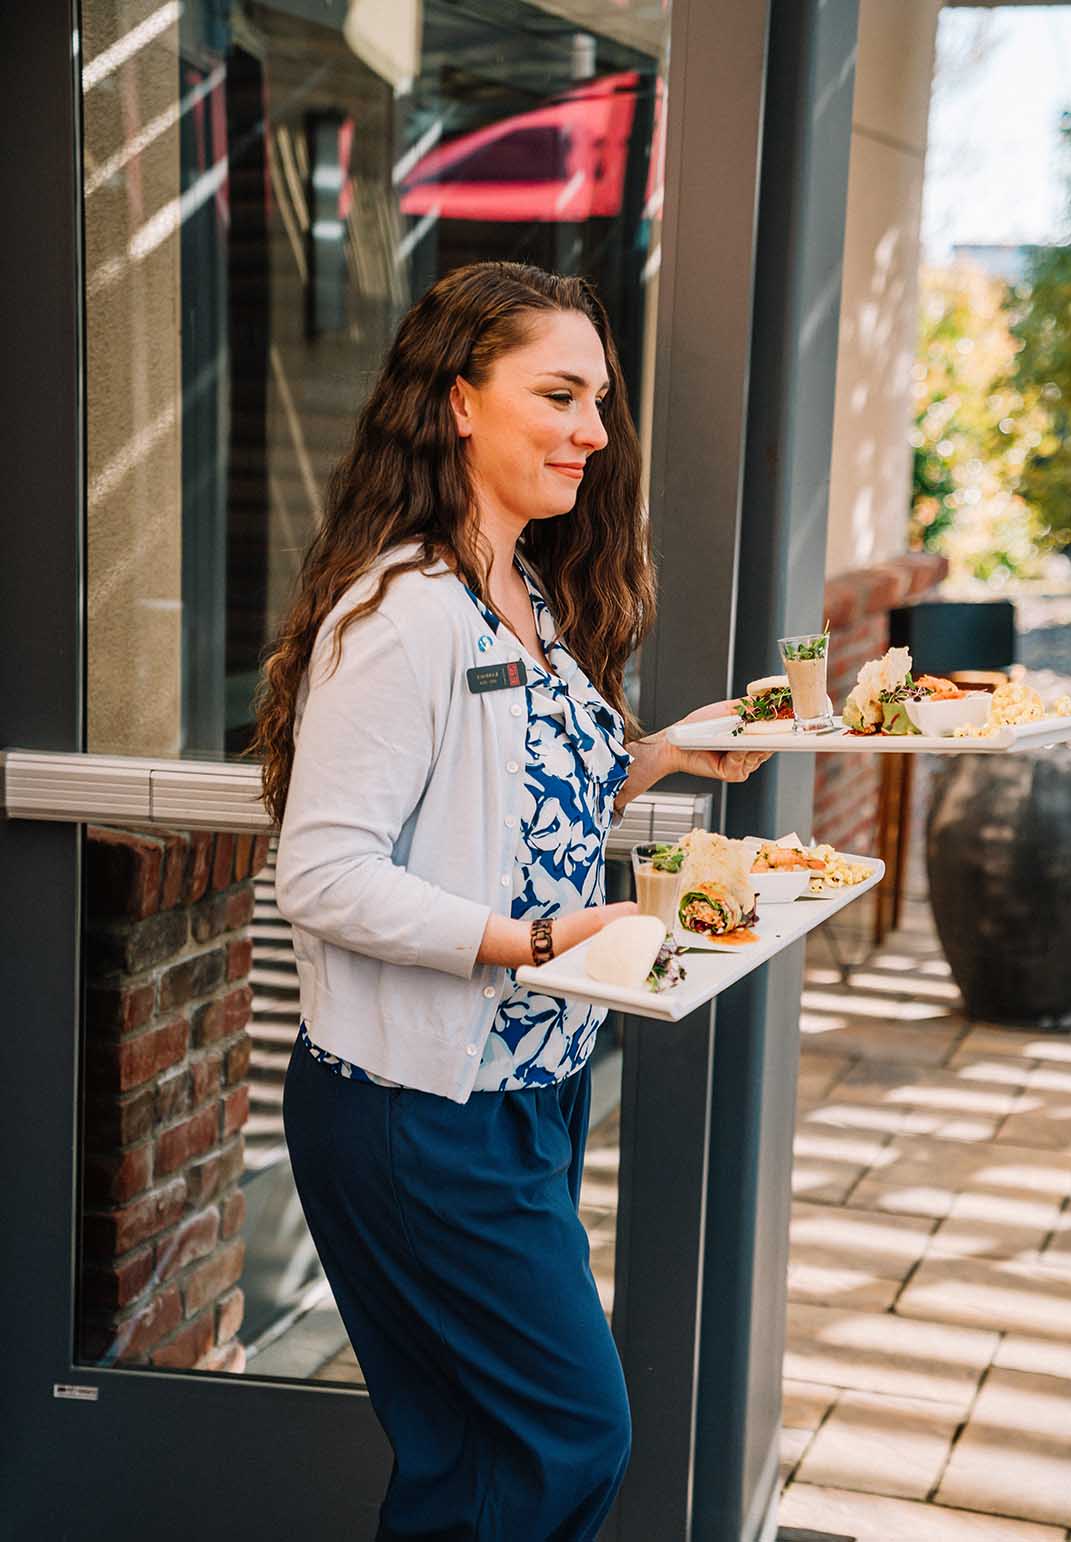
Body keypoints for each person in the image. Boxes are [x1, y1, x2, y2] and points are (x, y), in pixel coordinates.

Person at [253, 261, 770, 1542]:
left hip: (521, 1098)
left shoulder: (523, 594)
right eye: (559, 393)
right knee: (564, 1436)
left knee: (472, 1462)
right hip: (419, 1116)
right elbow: (319, 875)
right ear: (457, 403)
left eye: (599, 399)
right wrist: (535, 942)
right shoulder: (404, 613)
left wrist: (658, 753)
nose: (595, 431)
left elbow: (510, 805)